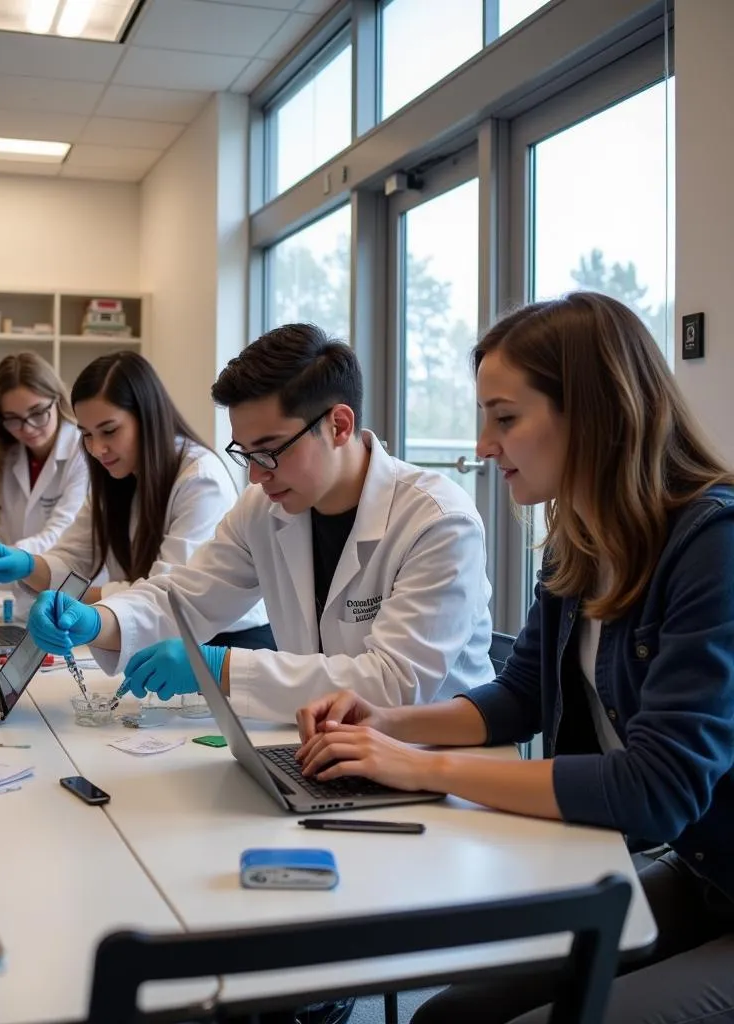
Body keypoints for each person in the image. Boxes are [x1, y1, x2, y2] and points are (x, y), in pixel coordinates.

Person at [295, 293, 734, 1024]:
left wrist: (419, 766)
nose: (485, 443)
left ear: (594, 413)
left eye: (505, 418)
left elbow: (661, 789)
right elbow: (521, 695)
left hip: (707, 867)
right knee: (445, 1018)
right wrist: (390, 723)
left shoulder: (713, 546)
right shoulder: (582, 537)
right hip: (705, 871)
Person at [16, 323, 494, 722]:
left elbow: (393, 684)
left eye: (270, 450)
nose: (256, 473)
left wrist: (219, 667)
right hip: (329, 748)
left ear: (339, 425)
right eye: (244, 453)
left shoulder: (436, 522)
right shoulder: (263, 509)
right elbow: (184, 596)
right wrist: (95, 619)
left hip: (438, 772)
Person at [0, 351, 271, 648]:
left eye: (109, 431)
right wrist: (26, 565)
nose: (97, 448)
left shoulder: (199, 478)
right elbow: (73, 556)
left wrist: (81, 604)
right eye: (87, 434)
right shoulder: (117, 477)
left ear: (146, 417)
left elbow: (167, 592)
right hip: (155, 634)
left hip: (224, 645)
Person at [0, 352, 88, 559]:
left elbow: (63, 533)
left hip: (67, 585)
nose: (28, 428)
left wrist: (10, 556)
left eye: (37, 413)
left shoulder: (82, 450)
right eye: (13, 419)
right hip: (8, 587)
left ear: (57, 401)